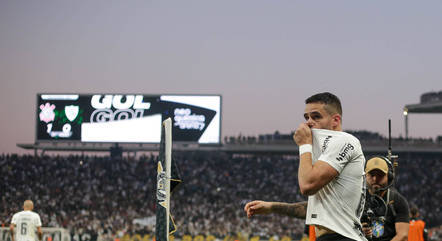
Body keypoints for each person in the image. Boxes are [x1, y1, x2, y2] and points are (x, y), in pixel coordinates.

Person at [244, 92, 367, 241]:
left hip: (341, 238)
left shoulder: (345, 141)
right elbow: (312, 207)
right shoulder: (325, 156)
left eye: (316, 117)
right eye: (306, 117)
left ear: (335, 120)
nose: (309, 122)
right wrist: (272, 207)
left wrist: (304, 145)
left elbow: (307, 185)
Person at [362, 157, 409, 241]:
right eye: (372, 175)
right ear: (365, 176)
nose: (375, 179)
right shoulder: (357, 199)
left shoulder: (398, 201)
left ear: (389, 177)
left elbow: (403, 235)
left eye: (380, 175)